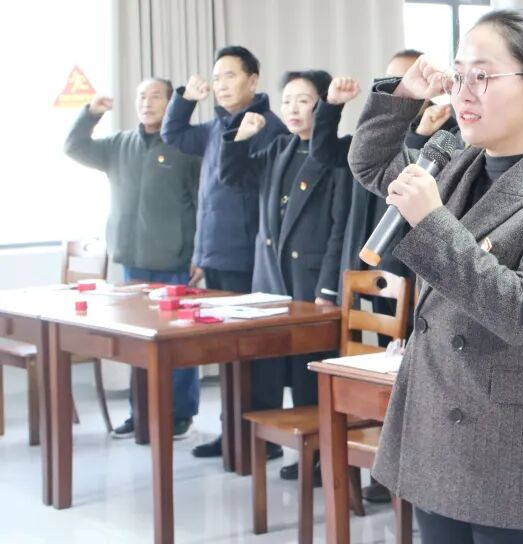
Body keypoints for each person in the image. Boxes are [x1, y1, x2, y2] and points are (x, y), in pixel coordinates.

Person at [345, 8, 523, 542]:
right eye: (459, 73)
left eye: (484, 76)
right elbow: (372, 165)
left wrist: (433, 222)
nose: (464, 92)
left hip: (520, 454)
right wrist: (404, 94)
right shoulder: (457, 159)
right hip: (438, 440)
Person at [309, 47, 458, 504]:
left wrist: (419, 134)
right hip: (365, 261)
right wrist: (330, 107)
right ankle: (364, 462)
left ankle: (390, 469)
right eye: (395, 83)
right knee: (366, 364)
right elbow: (328, 153)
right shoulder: (373, 138)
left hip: (407, 269)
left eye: (412, 84)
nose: (403, 92)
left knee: (402, 371)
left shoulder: (445, 140)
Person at [219, 69, 349, 483]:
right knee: (269, 368)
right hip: (272, 280)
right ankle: (275, 444)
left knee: (309, 372)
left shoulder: (336, 155)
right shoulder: (278, 148)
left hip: (311, 282)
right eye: (287, 100)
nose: (293, 108)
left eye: (303, 100)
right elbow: (233, 176)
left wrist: (329, 287)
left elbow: (339, 229)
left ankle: (319, 457)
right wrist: (239, 139)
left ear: (322, 106)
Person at [161, 45, 288, 459]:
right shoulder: (217, 125)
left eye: (230, 76)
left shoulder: (267, 126)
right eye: (216, 78)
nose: (221, 85)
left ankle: (261, 438)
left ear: (253, 80)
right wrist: (185, 99)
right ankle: (231, 432)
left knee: (255, 352)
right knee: (228, 352)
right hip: (216, 253)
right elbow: (173, 134)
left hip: (247, 254)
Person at [64, 79, 201, 439]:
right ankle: (139, 411)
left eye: (156, 96)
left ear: (171, 104)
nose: (146, 102)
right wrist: (91, 114)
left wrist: (199, 252)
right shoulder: (119, 144)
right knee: (139, 342)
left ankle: (179, 413)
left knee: (177, 341)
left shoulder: (185, 146)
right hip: (132, 261)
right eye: (141, 96)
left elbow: (203, 202)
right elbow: (73, 147)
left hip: (175, 260)